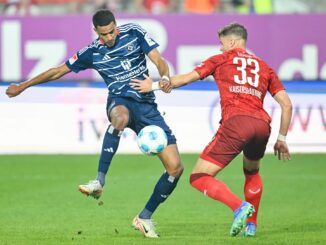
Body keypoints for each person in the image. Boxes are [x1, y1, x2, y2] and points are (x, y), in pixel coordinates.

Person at [5, 9, 183, 238]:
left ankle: (144, 217)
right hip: (120, 101)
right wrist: (23, 86)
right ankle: (99, 180)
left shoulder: (134, 32)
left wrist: (165, 78)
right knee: (119, 118)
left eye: (111, 32)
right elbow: (57, 71)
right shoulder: (92, 52)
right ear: (95, 31)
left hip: (148, 107)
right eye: (103, 34)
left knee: (175, 168)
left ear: (116, 26)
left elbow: (158, 59)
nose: (108, 38)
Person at [130, 22, 292, 237]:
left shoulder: (221, 59)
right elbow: (287, 104)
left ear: (233, 42)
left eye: (222, 44)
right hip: (263, 125)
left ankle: (239, 207)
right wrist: (281, 138)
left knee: (198, 177)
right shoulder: (265, 67)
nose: (220, 48)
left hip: (236, 123)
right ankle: (251, 226)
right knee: (252, 171)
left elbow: (188, 78)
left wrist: (155, 86)